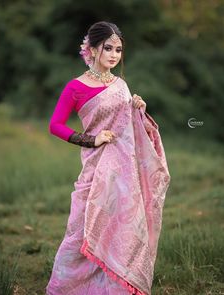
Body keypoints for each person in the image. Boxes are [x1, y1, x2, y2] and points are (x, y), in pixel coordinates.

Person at [45, 21, 171, 295]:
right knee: (80, 232)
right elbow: (55, 125)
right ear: (91, 50)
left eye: (118, 50)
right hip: (95, 168)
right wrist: (92, 139)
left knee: (119, 232)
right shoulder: (75, 87)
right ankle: (66, 289)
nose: (114, 55)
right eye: (108, 48)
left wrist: (139, 109)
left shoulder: (121, 85)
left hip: (124, 172)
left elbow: (130, 129)